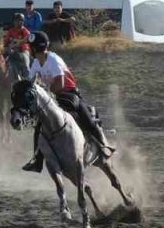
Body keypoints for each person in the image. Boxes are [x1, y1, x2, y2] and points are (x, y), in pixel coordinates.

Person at [22, 31, 115, 172]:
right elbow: (30, 83)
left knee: (87, 118)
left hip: (68, 94)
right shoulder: (35, 63)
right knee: (40, 126)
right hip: (51, 98)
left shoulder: (53, 60)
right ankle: (37, 160)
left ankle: (103, 146)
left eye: (31, 48)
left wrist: (45, 93)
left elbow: (60, 84)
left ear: (34, 49)